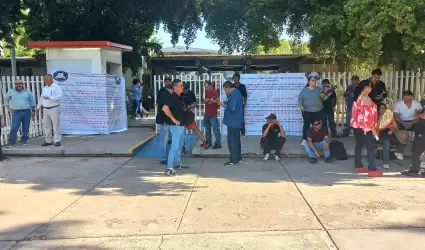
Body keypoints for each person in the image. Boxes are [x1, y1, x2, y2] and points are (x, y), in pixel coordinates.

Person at [350, 81, 383, 177]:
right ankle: (372, 169)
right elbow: (368, 116)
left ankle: (358, 165)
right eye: (367, 87)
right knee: (371, 147)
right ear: (363, 87)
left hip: (356, 125)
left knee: (359, 144)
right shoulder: (366, 98)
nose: (369, 89)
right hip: (365, 127)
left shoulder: (357, 97)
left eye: (370, 87)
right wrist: (372, 128)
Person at [161, 79, 188, 176]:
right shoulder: (172, 97)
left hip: (180, 126)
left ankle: (177, 164)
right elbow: (165, 108)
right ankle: (169, 168)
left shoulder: (178, 97)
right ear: (175, 87)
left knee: (180, 145)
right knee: (174, 147)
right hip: (175, 126)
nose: (182, 87)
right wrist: (174, 119)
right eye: (181, 86)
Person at [4, 79, 36, 146]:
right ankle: (11, 141)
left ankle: (24, 140)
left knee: (26, 126)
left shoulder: (28, 92)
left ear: (22, 84)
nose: (18, 85)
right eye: (16, 84)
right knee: (14, 127)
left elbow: (32, 102)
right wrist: (9, 109)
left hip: (27, 111)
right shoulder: (11, 91)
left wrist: (33, 111)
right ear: (15, 85)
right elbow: (6, 100)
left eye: (20, 83)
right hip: (16, 112)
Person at [180, 82, 209, 154]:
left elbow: (195, 104)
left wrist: (189, 107)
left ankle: (205, 142)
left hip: (188, 115)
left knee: (195, 129)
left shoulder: (191, 93)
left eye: (186, 90)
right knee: (180, 132)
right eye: (184, 90)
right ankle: (182, 148)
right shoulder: (179, 93)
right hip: (180, 116)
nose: (185, 91)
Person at [393, 90, 422, 160]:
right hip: (401, 121)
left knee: (420, 133)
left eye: (407, 95)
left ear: (412, 96)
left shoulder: (417, 104)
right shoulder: (398, 103)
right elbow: (396, 116)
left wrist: (411, 123)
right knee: (401, 134)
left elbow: (418, 116)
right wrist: (403, 123)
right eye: (404, 95)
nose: (405, 97)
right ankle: (399, 151)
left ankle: (418, 151)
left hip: (414, 121)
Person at [220, 81, 244, 166]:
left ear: (227, 87)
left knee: (232, 141)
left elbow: (233, 108)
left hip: (233, 121)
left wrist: (224, 105)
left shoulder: (234, 94)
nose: (225, 92)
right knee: (236, 140)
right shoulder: (237, 93)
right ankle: (238, 157)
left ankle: (233, 159)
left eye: (225, 90)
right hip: (236, 121)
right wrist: (227, 102)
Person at [38, 74, 63, 147]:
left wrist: (50, 97)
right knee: (46, 125)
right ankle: (48, 140)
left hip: (54, 108)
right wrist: (38, 106)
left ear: (51, 79)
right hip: (45, 109)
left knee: (55, 125)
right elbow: (41, 97)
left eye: (46, 79)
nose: (44, 81)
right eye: (44, 80)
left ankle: (57, 140)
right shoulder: (45, 88)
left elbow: (60, 96)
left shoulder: (56, 87)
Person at [298, 76, 326, 142]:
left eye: (315, 80)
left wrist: (323, 96)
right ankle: (304, 139)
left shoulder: (319, 89)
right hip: (307, 111)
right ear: (309, 81)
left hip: (318, 110)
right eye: (313, 80)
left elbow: (323, 99)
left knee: (319, 125)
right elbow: (300, 99)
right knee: (306, 125)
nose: (314, 82)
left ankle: (320, 139)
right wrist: (301, 105)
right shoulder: (304, 90)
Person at [401, 106, 425, 177]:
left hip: (423, 132)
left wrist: (416, 113)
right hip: (421, 130)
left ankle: (414, 171)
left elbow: (423, 116)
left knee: (417, 151)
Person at [156, 76, 173, 165]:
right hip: (164, 120)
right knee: (163, 140)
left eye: (169, 81)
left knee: (166, 139)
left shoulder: (170, 95)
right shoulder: (163, 93)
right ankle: (163, 158)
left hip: (168, 120)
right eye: (166, 81)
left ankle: (166, 156)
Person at [377, 103, 397, 169]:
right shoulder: (376, 117)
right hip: (378, 134)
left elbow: (395, 126)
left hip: (388, 134)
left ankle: (386, 163)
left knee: (387, 141)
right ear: (378, 110)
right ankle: (386, 163)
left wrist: (392, 130)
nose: (383, 110)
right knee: (386, 142)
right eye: (381, 108)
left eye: (384, 108)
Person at [204, 80, 221, 149]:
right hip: (207, 113)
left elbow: (218, 101)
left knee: (215, 129)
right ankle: (209, 142)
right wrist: (206, 100)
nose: (206, 88)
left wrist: (211, 100)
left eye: (207, 87)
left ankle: (218, 143)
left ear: (211, 85)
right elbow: (205, 100)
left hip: (212, 113)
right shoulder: (207, 92)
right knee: (207, 129)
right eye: (205, 87)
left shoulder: (214, 91)